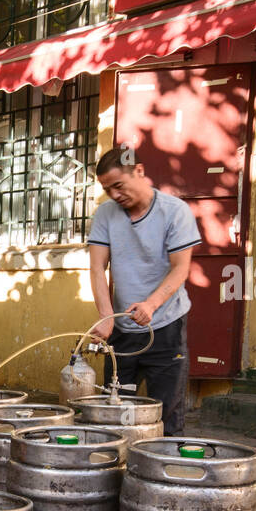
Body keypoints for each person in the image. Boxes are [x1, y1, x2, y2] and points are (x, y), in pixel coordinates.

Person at [87, 146, 201, 435]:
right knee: (114, 408)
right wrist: (105, 316)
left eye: (118, 186)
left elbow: (180, 269)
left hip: (166, 326)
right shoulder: (105, 214)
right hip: (122, 331)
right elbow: (98, 267)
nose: (114, 195)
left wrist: (151, 304)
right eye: (107, 189)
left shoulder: (175, 212)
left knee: (166, 415)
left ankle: (166, 474)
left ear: (138, 172)